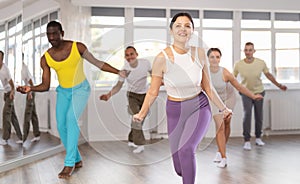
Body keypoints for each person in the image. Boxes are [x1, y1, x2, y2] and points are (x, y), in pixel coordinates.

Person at [16, 21, 127, 179]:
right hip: (63, 92)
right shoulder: (45, 58)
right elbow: (46, 85)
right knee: (61, 125)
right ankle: (77, 158)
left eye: (55, 33)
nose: (52, 37)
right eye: (49, 34)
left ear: (62, 32)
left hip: (81, 89)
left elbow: (98, 63)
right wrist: (30, 88)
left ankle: (69, 164)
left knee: (70, 119)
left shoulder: (78, 47)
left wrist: (118, 72)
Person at [133, 12, 232, 184]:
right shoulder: (161, 58)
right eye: (178, 25)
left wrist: (223, 108)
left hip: (199, 106)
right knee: (179, 165)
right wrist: (141, 114)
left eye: (187, 25)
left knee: (187, 150)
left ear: (192, 31)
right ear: (171, 30)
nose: (183, 29)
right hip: (174, 111)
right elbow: (152, 91)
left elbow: (207, 87)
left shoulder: (200, 53)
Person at [207, 48, 263, 168]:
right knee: (220, 126)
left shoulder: (225, 72)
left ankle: (219, 151)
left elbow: (239, 87)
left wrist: (253, 96)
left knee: (226, 124)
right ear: (208, 59)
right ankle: (224, 157)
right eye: (212, 57)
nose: (215, 59)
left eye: (217, 57)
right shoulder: (204, 73)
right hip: (215, 101)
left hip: (229, 98)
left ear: (220, 58)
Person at [233, 42, 287, 151]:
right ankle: (247, 140)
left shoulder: (260, 63)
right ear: (244, 51)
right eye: (246, 50)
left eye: (250, 50)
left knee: (259, 115)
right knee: (247, 114)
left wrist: (279, 85)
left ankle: (258, 138)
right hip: (246, 93)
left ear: (254, 51)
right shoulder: (238, 64)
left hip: (259, 92)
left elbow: (269, 75)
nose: (248, 52)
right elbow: (232, 78)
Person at [100, 46, 151, 154]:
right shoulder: (125, 70)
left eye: (131, 54)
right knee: (137, 118)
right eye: (127, 55)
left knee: (140, 119)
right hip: (132, 95)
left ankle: (132, 139)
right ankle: (140, 144)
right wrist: (108, 95)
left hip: (145, 95)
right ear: (125, 57)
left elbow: (153, 74)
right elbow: (118, 85)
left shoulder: (145, 63)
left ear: (136, 54)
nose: (129, 57)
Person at [0, 50, 23, 145]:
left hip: (10, 93)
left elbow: (13, 85)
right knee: (13, 116)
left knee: (6, 114)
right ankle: (21, 137)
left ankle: (5, 138)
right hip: (6, 94)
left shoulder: (5, 70)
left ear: (2, 59)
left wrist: (12, 93)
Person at [21, 61, 41, 143]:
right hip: (30, 91)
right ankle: (37, 135)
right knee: (33, 114)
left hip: (31, 92)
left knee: (27, 115)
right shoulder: (22, 68)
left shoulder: (24, 68)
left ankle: (23, 138)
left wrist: (30, 93)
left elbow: (31, 83)